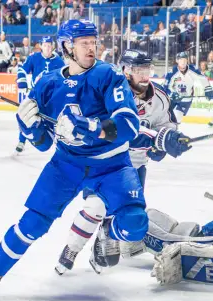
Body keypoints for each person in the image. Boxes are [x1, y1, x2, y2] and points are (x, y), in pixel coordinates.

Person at [0, 19, 192, 301]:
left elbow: (128, 124)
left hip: (112, 165)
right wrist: (31, 128)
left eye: (93, 42)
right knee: (31, 224)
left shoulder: (108, 75)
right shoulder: (47, 84)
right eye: (84, 43)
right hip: (65, 166)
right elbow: (44, 144)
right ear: (66, 46)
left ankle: (108, 229)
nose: (92, 48)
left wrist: (93, 127)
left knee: (135, 223)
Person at [54, 48, 189, 275]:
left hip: (135, 167)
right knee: (95, 207)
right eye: (139, 70)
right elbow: (118, 133)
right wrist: (156, 139)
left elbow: (167, 126)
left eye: (148, 70)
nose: (145, 75)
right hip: (105, 162)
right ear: (126, 71)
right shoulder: (109, 92)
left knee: (126, 215)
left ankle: (105, 233)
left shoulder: (160, 97)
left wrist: (168, 142)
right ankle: (71, 248)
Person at [15, 36, 65, 153]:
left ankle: (59, 143)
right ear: (41, 46)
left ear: (52, 46)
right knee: (27, 116)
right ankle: (22, 141)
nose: (47, 48)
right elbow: (22, 69)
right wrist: (22, 81)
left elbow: (64, 77)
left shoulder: (59, 61)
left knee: (55, 119)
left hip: (52, 97)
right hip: (36, 94)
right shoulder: (34, 57)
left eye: (49, 45)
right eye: (45, 45)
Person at [163, 52, 213, 123]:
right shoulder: (172, 72)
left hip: (186, 100)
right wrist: (172, 94)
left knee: (178, 118)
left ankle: (173, 132)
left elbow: (202, 78)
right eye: (181, 60)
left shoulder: (192, 69)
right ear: (177, 61)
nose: (183, 62)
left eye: (185, 60)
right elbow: (166, 87)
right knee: (165, 116)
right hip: (174, 98)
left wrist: (208, 89)